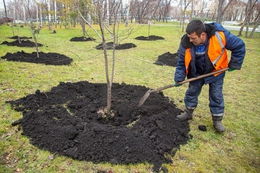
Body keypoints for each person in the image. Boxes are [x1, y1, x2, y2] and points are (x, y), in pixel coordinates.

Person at [174, 20, 245, 132]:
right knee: (191, 92)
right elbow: (181, 62)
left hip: (215, 72)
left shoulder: (219, 35)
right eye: (189, 37)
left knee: (216, 95)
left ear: (202, 34)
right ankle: (188, 113)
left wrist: (235, 63)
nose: (190, 40)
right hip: (196, 73)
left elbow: (239, 46)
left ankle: (217, 120)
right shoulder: (186, 41)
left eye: (193, 38)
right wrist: (179, 77)